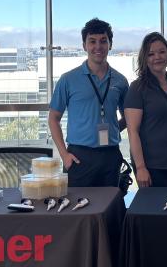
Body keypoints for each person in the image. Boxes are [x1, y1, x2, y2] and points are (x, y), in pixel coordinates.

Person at [48, 18, 129, 187]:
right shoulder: (68, 79)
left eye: (103, 41)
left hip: (110, 155)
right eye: (92, 41)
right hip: (79, 156)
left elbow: (129, 117)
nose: (98, 46)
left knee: (109, 209)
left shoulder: (120, 81)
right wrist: (64, 155)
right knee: (78, 210)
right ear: (84, 45)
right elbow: (53, 118)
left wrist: (112, 128)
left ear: (110, 45)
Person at [125, 32, 167, 187]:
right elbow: (132, 131)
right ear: (144, 58)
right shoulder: (137, 87)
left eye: (162, 52)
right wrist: (140, 167)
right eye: (151, 54)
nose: (157, 57)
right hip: (151, 166)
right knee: (155, 209)